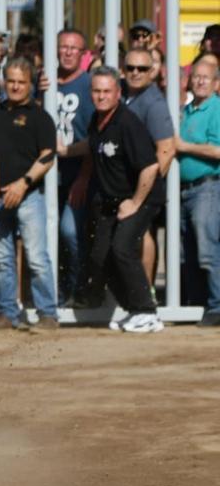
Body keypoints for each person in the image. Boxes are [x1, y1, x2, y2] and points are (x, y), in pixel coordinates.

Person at [63, 66, 164, 333]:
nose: (101, 96)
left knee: (121, 248)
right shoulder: (97, 120)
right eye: (96, 91)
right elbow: (92, 144)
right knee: (101, 257)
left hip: (142, 197)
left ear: (118, 93)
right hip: (110, 200)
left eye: (107, 91)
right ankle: (134, 310)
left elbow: (151, 167)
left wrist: (134, 202)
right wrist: (65, 150)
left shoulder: (128, 124)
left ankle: (148, 311)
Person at [0, 58, 59, 331]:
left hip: (28, 196)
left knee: (37, 257)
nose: (15, 86)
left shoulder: (40, 117)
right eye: (11, 80)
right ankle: (6, 314)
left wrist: (23, 183)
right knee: (2, 260)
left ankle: (48, 314)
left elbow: (48, 156)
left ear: (31, 84)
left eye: (21, 82)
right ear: (4, 80)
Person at [122, 47, 176, 288]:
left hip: (142, 187)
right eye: (130, 68)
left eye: (142, 68)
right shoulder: (123, 94)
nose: (135, 73)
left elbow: (166, 149)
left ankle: (145, 293)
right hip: (124, 184)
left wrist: (144, 190)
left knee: (142, 234)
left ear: (152, 71)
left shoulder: (154, 103)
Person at [175, 56, 220, 326]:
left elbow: (217, 150)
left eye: (207, 77)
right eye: (196, 76)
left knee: (208, 250)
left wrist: (184, 147)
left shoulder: (216, 108)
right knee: (186, 253)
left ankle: (216, 306)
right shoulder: (187, 110)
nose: (200, 81)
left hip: (208, 189)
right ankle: (196, 305)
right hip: (184, 191)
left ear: (216, 83)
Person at [54, 29, 95, 305]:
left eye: (74, 48)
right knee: (49, 236)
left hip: (78, 172)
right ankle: (56, 293)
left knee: (70, 231)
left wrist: (83, 177)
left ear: (83, 54)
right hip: (45, 175)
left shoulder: (89, 86)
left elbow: (97, 138)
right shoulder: (44, 82)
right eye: (63, 47)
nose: (68, 52)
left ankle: (80, 290)